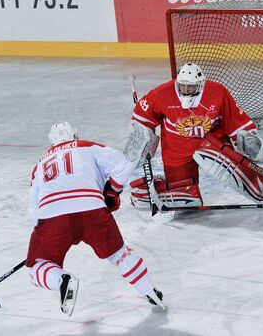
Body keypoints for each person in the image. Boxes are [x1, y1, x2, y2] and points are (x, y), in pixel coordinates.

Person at [27, 122, 164, 316]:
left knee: (38, 266)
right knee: (118, 253)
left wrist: (42, 238)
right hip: (91, 209)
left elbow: (33, 211)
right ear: (75, 136)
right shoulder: (86, 146)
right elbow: (123, 165)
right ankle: (150, 292)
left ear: (51, 144)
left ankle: (61, 279)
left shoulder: (40, 165)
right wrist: (110, 192)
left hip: (53, 215)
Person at [124, 62, 263, 210]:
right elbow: (141, 116)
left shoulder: (217, 91)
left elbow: (233, 118)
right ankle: (156, 190)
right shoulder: (161, 93)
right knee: (186, 198)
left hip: (211, 142)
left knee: (237, 167)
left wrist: (248, 137)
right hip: (176, 148)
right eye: (183, 86)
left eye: (191, 87)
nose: (186, 90)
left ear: (201, 84)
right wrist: (143, 139)